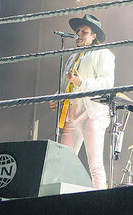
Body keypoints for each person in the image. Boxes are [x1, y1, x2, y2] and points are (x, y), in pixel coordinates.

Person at [49, 14, 115, 189]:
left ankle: (100, 204)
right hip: (70, 114)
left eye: (84, 32)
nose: (79, 34)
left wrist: (82, 83)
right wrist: (57, 97)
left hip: (91, 114)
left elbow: (107, 83)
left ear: (94, 36)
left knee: (95, 164)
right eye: (78, 31)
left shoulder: (104, 53)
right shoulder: (72, 57)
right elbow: (65, 86)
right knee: (62, 162)